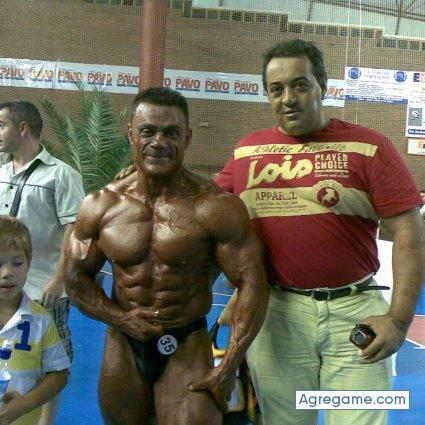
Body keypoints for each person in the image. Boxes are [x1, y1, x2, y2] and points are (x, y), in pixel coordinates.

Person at [215, 39, 425, 425]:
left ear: (322, 86)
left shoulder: (369, 147)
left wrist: (397, 320)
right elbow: (204, 207)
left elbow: (409, 232)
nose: (288, 98)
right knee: (286, 420)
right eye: (276, 89)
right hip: (276, 314)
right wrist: (149, 179)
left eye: (300, 85)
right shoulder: (247, 152)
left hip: (355, 312)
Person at [63, 87, 269, 425]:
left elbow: (253, 284)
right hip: (124, 343)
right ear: (131, 134)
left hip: (187, 341)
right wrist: (121, 319)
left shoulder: (215, 207)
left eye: (171, 133)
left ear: (187, 138)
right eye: (147, 131)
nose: (158, 142)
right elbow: (75, 278)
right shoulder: (101, 205)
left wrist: (230, 362)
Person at [0, 100, 85, 424]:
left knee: (50, 360)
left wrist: (57, 279)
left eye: (1, 125)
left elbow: (74, 232)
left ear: (22, 128)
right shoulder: (1, 172)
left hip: (43, 288)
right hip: (3, 285)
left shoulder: (61, 175)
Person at [0, 215, 70, 425]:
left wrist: (26, 404)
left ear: (29, 263)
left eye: (17, 263)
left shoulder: (41, 320)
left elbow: (58, 374)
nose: (7, 273)